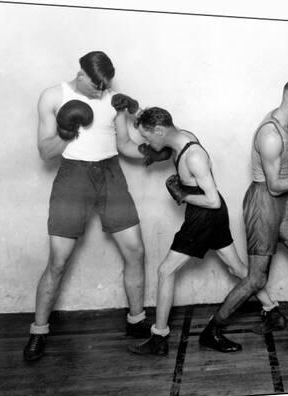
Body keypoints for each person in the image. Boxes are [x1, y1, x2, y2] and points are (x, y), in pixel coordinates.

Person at [23, 51, 171, 361]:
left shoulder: (113, 99)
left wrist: (150, 151)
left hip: (110, 174)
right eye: (97, 86)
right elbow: (45, 152)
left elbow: (125, 144)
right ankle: (38, 330)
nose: (102, 91)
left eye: (106, 85)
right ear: (81, 76)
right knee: (58, 261)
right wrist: (67, 132)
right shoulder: (53, 96)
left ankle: (135, 319)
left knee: (136, 250)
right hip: (72, 176)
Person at [127, 107, 282, 355]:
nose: (147, 142)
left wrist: (183, 194)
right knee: (237, 268)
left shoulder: (194, 156)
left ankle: (159, 338)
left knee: (165, 271)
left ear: (159, 130)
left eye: (148, 137)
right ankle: (272, 310)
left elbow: (213, 201)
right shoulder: (181, 137)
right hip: (208, 216)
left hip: (205, 215)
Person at [198, 77, 288, 353]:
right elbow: (274, 185)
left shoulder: (285, 124)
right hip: (264, 202)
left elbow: (286, 149)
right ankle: (211, 330)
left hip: (280, 204)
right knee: (257, 279)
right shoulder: (270, 134)